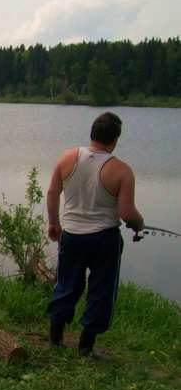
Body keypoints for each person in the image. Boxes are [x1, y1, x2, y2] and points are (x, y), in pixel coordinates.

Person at [45, 112, 144, 356]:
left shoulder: (67, 158)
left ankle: (55, 338)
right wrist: (139, 224)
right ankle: (85, 347)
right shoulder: (121, 170)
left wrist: (54, 223)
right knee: (101, 290)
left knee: (66, 284)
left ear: (92, 132)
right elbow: (127, 213)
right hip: (103, 239)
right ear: (115, 138)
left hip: (72, 235)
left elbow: (51, 192)